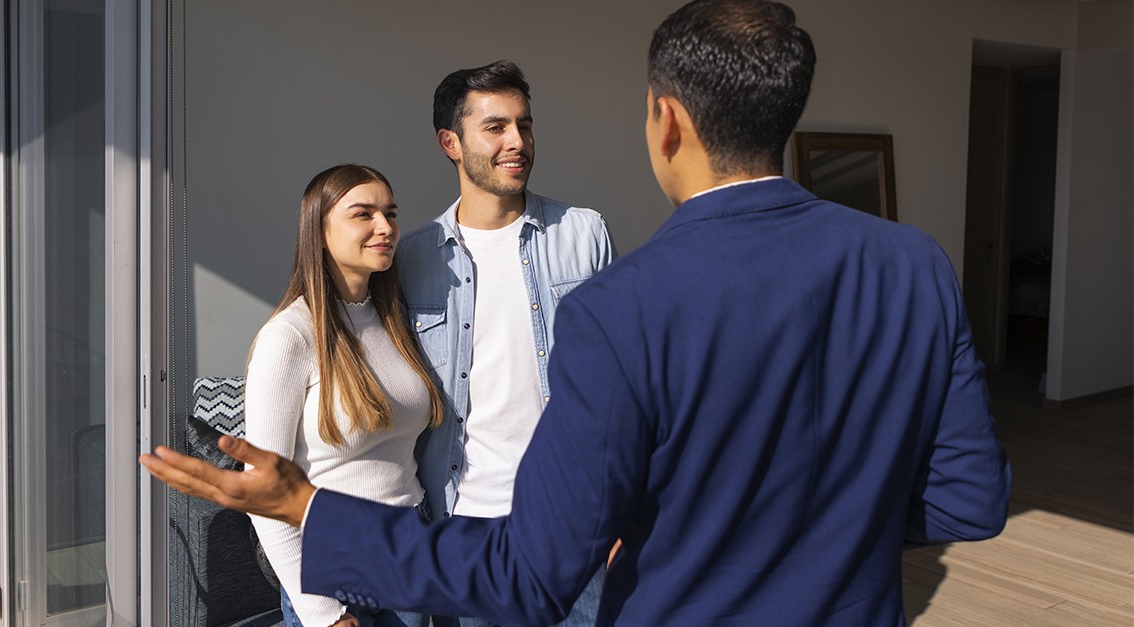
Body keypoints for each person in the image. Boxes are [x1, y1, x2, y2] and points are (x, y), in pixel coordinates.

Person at [141, 1, 1012, 625]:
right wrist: (835, 521)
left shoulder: (616, 300)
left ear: (665, 121)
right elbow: (970, 500)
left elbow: (528, 575)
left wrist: (307, 506)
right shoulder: (917, 265)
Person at [397, 60, 614, 627]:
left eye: (524, 124)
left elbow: (624, 386)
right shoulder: (412, 260)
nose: (517, 141)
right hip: (465, 532)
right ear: (451, 143)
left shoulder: (584, 234)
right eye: (495, 127)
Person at [242, 164, 444, 627]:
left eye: (390, 213)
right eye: (363, 214)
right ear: (319, 231)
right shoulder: (290, 336)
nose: (385, 227)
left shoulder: (394, 320)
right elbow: (263, 491)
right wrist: (322, 615)